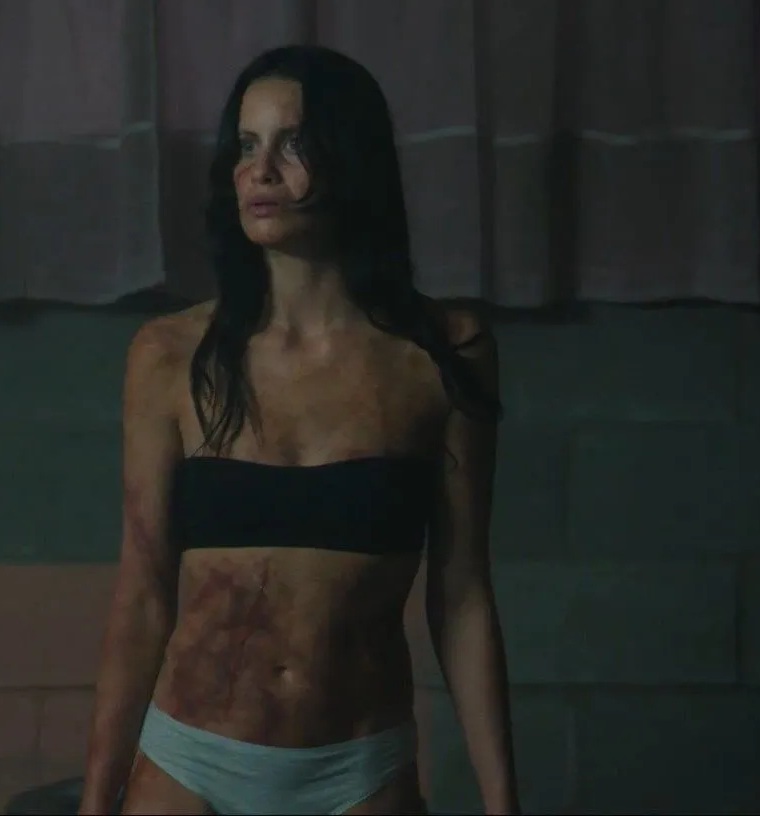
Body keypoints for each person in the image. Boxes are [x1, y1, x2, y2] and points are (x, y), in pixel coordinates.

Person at [78, 45, 520, 816]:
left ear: (352, 161)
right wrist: (95, 802)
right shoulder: (169, 354)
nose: (262, 170)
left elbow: (462, 595)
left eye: (293, 144)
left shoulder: (445, 350)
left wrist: (502, 801)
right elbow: (142, 595)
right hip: (191, 763)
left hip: (358, 768)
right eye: (247, 145)